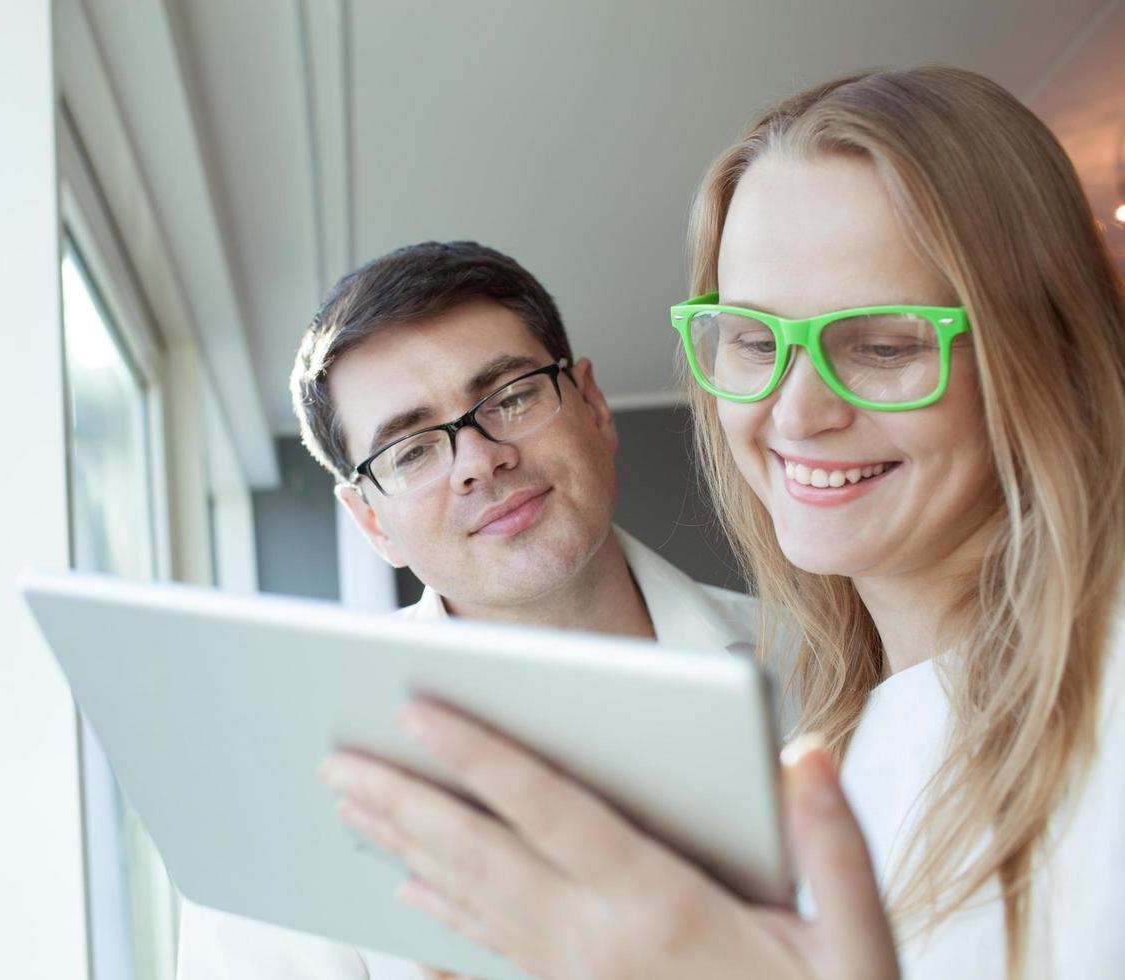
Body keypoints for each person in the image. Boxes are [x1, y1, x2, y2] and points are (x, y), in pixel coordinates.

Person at [319, 67, 1125, 979]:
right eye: (754, 340)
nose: (798, 411)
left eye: (885, 345)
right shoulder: (849, 718)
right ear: (367, 519)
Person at [175, 241, 764, 979]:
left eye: (511, 399)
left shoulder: (834, 663)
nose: (479, 460)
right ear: (371, 523)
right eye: (412, 450)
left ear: (592, 407)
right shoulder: (277, 800)